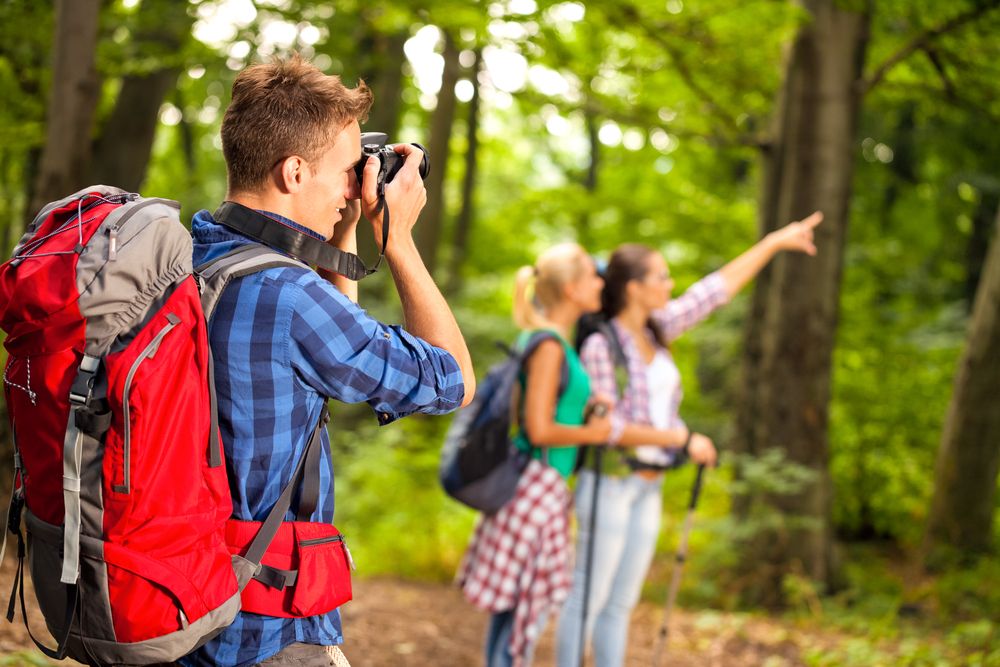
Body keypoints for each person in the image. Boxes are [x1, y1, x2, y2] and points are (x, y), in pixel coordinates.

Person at [181, 55, 475, 667]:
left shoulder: (187, 259)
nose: (353, 187)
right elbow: (452, 379)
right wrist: (397, 240)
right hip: (262, 633)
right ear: (294, 171)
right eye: (346, 173)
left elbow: (339, 338)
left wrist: (340, 239)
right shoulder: (290, 299)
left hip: (174, 608)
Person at [555, 212, 823, 667]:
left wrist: (774, 243)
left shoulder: (658, 330)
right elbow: (608, 430)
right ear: (635, 287)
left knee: (621, 605)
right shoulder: (601, 346)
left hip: (648, 487)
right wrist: (680, 437)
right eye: (662, 276)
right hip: (610, 485)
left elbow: (714, 291)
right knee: (588, 599)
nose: (671, 283)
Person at [457, 243, 612, 667]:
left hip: (540, 483)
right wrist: (593, 432)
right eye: (593, 277)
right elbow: (538, 428)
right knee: (522, 615)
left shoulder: (553, 341)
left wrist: (588, 407)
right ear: (572, 290)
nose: (602, 282)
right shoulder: (548, 345)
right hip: (536, 485)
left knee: (517, 615)